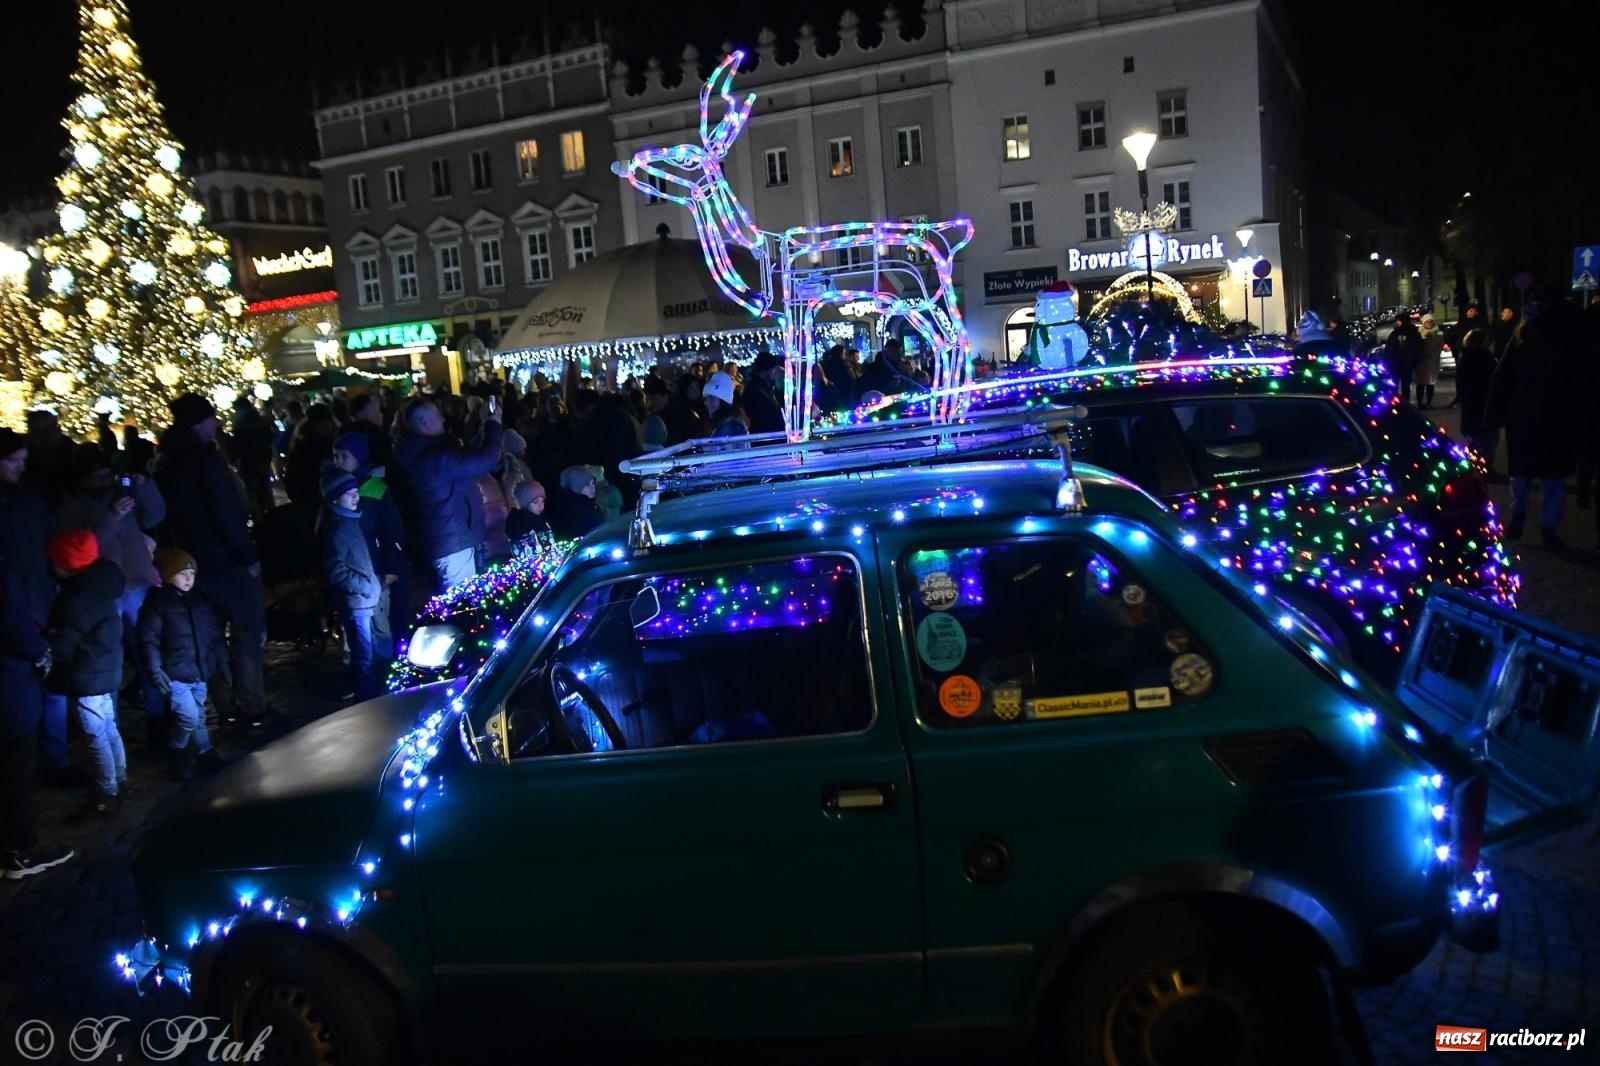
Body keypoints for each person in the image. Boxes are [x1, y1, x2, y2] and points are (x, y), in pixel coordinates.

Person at [154, 392, 268, 729]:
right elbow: (226, 514)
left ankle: (224, 704)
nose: (216, 423)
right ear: (199, 423)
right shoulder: (206, 459)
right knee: (248, 635)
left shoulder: (166, 461)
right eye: (211, 418)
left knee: (210, 638)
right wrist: (248, 558)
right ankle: (252, 704)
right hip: (226, 563)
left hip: (189, 564)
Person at [0, 430, 76, 879]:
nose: (21, 468)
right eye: (13, 461)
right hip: (12, 656)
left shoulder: (26, 501)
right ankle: (19, 848)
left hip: (30, 617)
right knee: (13, 761)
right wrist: (35, 648)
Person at [58, 445, 166, 745]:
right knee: (108, 659)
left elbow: (155, 515)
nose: (105, 481)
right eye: (97, 477)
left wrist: (145, 488)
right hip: (106, 593)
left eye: (108, 475)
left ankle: (157, 720)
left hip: (138, 583)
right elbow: (84, 546)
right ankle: (111, 730)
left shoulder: (122, 493)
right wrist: (110, 517)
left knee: (148, 652)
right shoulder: (72, 507)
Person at [1484, 290, 1581, 547]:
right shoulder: (1566, 342)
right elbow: (1578, 381)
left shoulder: (1520, 341)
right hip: (1556, 419)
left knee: (1522, 473)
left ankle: (1518, 515)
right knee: (1553, 478)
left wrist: (1494, 415)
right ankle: (1548, 527)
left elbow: (1501, 378)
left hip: (1523, 417)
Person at [44, 530, 127, 819]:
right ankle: (120, 778)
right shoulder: (103, 588)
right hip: (106, 671)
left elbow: (64, 644)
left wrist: (47, 647)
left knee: (95, 735)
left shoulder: (77, 600)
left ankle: (107, 792)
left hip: (87, 677)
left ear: (66, 564)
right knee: (110, 728)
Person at [393, 395, 503, 594]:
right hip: (454, 546)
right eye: (437, 414)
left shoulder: (428, 453)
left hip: (453, 540)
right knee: (462, 606)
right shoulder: (434, 458)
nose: (443, 418)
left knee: (468, 604)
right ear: (423, 422)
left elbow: (469, 459)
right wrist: (493, 424)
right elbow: (486, 458)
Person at [140, 547, 226, 780]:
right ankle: (176, 750)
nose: (189, 579)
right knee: (187, 716)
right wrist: (155, 669)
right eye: (182, 574)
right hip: (175, 674)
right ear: (168, 574)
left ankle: (204, 752)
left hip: (198, 671)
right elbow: (149, 638)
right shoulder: (158, 602)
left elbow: (212, 634)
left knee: (198, 715)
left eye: (192, 574)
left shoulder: (198, 601)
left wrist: (220, 661)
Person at [331, 432, 407, 658]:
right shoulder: (334, 488)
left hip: (375, 570)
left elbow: (393, 530)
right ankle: (358, 673)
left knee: (380, 624)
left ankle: (383, 670)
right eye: (335, 456)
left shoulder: (376, 489)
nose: (338, 462)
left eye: (344, 456)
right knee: (353, 630)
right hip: (352, 573)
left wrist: (392, 566)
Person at [318, 467, 384, 701]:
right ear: (335, 498)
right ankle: (367, 700)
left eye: (356, 491)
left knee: (368, 652)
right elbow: (336, 572)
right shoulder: (336, 528)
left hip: (363, 601)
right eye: (349, 493)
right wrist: (366, 586)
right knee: (363, 655)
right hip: (356, 603)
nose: (355, 496)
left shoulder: (348, 522)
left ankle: (371, 692)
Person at [1455, 325, 1500, 477]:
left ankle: (1476, 467)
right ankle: (1484, 469)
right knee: (1487, 439)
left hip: (1472, 405)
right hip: (1482, 404)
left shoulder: (1466, 358)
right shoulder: (1483, 358)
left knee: (1477, 438)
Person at [1445, 302, 1486, 408]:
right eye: (1470, 311)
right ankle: (1460, 397)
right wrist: (1455, 349)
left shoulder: (1481, 325)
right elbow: (1452, 338)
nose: (1473, 313)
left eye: (1475, 311)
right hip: (1462, 355)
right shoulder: (1460, 325)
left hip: (1477, 356)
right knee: (1461, 378)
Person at [548, 465, 606, 539]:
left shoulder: (589, 504)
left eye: (592, 483)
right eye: (586, 484)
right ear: (577, 488)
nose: (592, 487)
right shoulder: (576, 511)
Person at [1379, 315, 1424, 404]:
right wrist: (1387, 361)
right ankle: (1393, 402)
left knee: (1406, 386)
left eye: (1398, 320)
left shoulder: (1413, 333)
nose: (1397, 323)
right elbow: (1389, 349)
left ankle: (1405, 403)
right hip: (1395, 364)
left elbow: (1418, 349)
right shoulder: (1394, 333)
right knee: (1393, 385)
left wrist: (1414, 362)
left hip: (1407, 364)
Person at [741, 350, 786, 434]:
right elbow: (766, 419)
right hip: (766, 440)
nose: (775, 372)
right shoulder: (754, 392)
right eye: (774, 369)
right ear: (767, 369)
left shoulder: (763, 388)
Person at [1415, 314, 1444, 409]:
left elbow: (1439, 347)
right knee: (1421, 383)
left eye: (1431, 321)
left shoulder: (1438, 333)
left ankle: (1429, 402)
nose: (1429, 323)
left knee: (1430, 383)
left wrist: (1432, 354)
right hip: (1421, 361)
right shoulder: (1419, 333)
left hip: (1432, 361)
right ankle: (1420, 403)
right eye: (1427, 322)